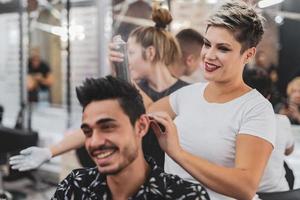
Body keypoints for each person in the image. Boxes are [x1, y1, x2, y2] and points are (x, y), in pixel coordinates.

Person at [10, 7, 188, 170]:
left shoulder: (185, 94)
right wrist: (49, 151)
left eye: (130, 54)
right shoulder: (130, 89)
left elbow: (151, 112)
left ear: (150, 53)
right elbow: (97, 126)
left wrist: (123, 73)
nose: (127, 60)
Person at [145, 1, 281, 199]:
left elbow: (245, 186)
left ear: (248, 55)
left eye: (223, 49)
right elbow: (146, 112)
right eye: (207, 44)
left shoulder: (256, 109)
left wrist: (177, 153)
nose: (209, 55)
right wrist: (125, 70)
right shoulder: (187, 95)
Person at [51, 76, 210, 200]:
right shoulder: (75, 187)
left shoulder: (186, 196)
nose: (95, 142)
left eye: (108, 127)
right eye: (88, 132)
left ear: (141, 127)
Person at [243, 66, 295, 190]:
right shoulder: (282, 121)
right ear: (269, 96)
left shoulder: (231, 122)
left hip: (244, 194)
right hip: (281, 194)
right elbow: (289, 150)